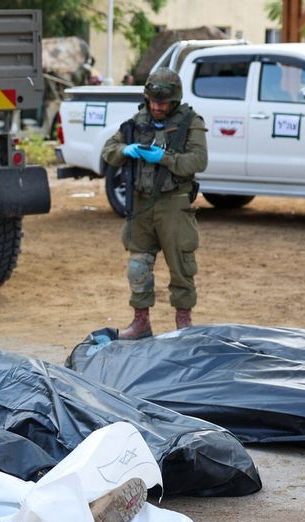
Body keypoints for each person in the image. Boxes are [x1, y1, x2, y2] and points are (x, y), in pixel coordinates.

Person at [101, 68, 208, 337]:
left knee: (181, 267)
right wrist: (127, 149)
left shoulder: (190, 123)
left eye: (163, 102)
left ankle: (183, 323)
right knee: (137, 266)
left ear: (174, 100)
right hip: (141, 204)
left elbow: (197, 161)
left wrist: (164, 158)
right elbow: (108, 151)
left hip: (174, 204)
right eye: (153, 101)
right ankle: (141, 321)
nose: (157, 107)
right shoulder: (137, 122)